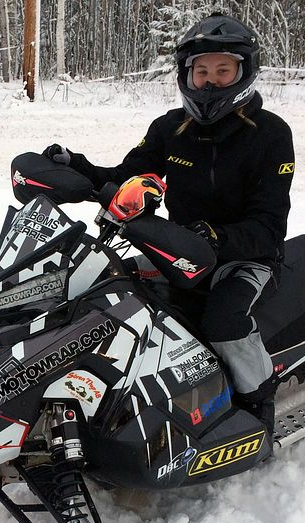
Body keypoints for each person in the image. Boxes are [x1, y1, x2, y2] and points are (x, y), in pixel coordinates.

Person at [42, 13, 295, 436]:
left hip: (247, 258)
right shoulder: (170, 128)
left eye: (222, 70)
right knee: (103, 288)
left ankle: (258, 402)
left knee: (224, 323)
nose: (210, 82)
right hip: (177, 250)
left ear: (243, 73)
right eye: (201, 72)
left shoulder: (270, 134)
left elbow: (268, 225)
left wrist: (215, 238)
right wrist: (76, 167)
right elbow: (127, 174)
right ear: (186, 75)